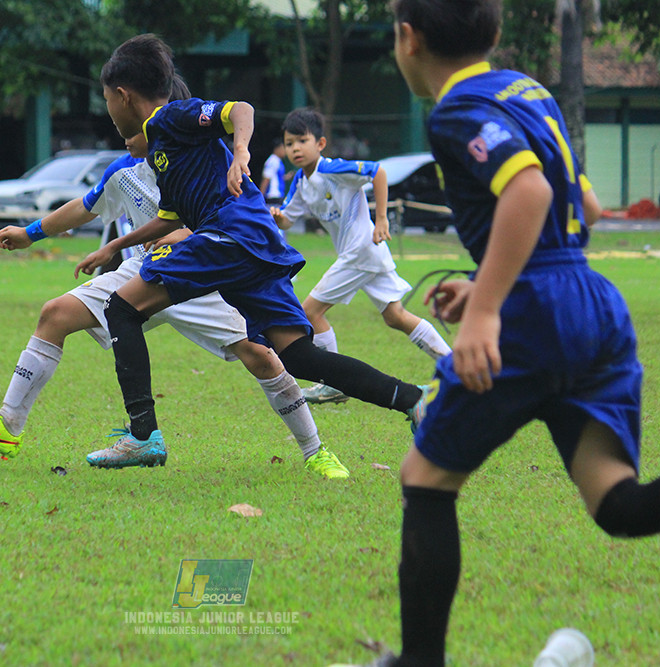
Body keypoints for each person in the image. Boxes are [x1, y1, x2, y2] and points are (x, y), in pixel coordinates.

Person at [370, 1, 660, 665]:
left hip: (534, 313)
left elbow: (529, 193)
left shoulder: (454, 111)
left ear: (407, 39)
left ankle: (419, 660)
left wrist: (490, 305)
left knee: (424, 478)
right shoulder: (528, 90)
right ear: (495, 34)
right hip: (590, 303)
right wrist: (494, 281)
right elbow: (580, 203)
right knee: (617, 500)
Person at [0, 81, 349, 478]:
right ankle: (7, 424)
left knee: (263, 357)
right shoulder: (125, 170)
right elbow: (83, 208)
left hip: (205, 271)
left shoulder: (199, 153)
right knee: (55, 314)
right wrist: (29, 234)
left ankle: (317, 452)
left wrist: (179, 232)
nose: (125, 134)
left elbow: (213, 219)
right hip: (145, 273)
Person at [79, 34, 427, 467]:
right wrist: (115, 244)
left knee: (121, 308)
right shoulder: (164, 151)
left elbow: (240, 110)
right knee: (298, 355)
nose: (109, 108)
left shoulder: (171, 118)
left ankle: (143, 435)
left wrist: (241, 151)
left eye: (106, 98)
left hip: (230, 236)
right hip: (253, 244)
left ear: (122, 96)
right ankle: (413, 400)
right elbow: (170, 219)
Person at [270, 108, 451, 404]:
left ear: (321, 143)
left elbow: (377, 172)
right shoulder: (301, 183)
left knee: (311, 312)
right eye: (289, 143)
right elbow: (289, 217)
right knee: (395, 316)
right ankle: (453, 365)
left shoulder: (334, 170)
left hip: (361, 251)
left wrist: (381, 218)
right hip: (365, 253)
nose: (295, 148)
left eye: (302, 140)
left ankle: (334, 383)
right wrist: (279, 219)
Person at [259, 138, 288, 206]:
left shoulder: (278, 161)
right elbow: (266, 178)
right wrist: (260, 198)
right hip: (273, 197)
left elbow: (277, 177)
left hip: (278, 195)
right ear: (277, 148)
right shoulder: (273, 160)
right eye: (283, 148)